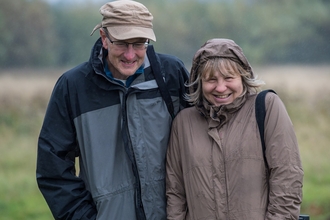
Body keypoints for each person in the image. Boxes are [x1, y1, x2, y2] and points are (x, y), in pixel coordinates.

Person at [36, 1, 189, 219]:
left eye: (138, 44)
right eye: (121, 43)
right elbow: (52, 168)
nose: (130, 55)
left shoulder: (171, 74)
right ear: (104, 38)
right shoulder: (73, 86)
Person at [166, 38, 304, 219]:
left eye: (229, 78)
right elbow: (175, 192)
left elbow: (287, 177)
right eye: (211, 79)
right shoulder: (183, 122)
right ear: (199, 82)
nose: (221, 87)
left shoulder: (267, 107)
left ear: (243, 76)